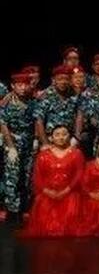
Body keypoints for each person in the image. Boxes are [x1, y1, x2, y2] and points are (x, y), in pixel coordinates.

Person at [20, 125, 84, 237]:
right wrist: (48, 191)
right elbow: (37, 176)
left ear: (69, 136)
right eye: (57, 135)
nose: (61, 137)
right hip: (48, 193)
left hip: (69, 193)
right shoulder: (43, 155)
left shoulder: (76, 154)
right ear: (51, 138)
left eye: (64, 134)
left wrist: (66, 190)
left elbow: (79, 175)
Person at [0, 73, 37, 222]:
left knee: (27, 176)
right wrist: (11, 147)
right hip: (13, 143)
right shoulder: (7, 103)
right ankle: (11, 210)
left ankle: (23, 208)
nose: (22, 88)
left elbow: (37, 121)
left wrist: (35, 139)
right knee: (12, 176)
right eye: (19, 85)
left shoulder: (33, 102)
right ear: (13, 86)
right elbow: (3, 125)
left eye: (25, 84)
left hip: (29, 144)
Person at [34, 66, 79, 150]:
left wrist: (76, 137)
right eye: (60, 79)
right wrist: (45, 143)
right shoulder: (45, 96)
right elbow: (39, 120)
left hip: (69, 139)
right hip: (50, 138)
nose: (63, 82)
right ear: (53, 80)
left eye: (66, 79)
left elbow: (79, 115)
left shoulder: (74, 94)